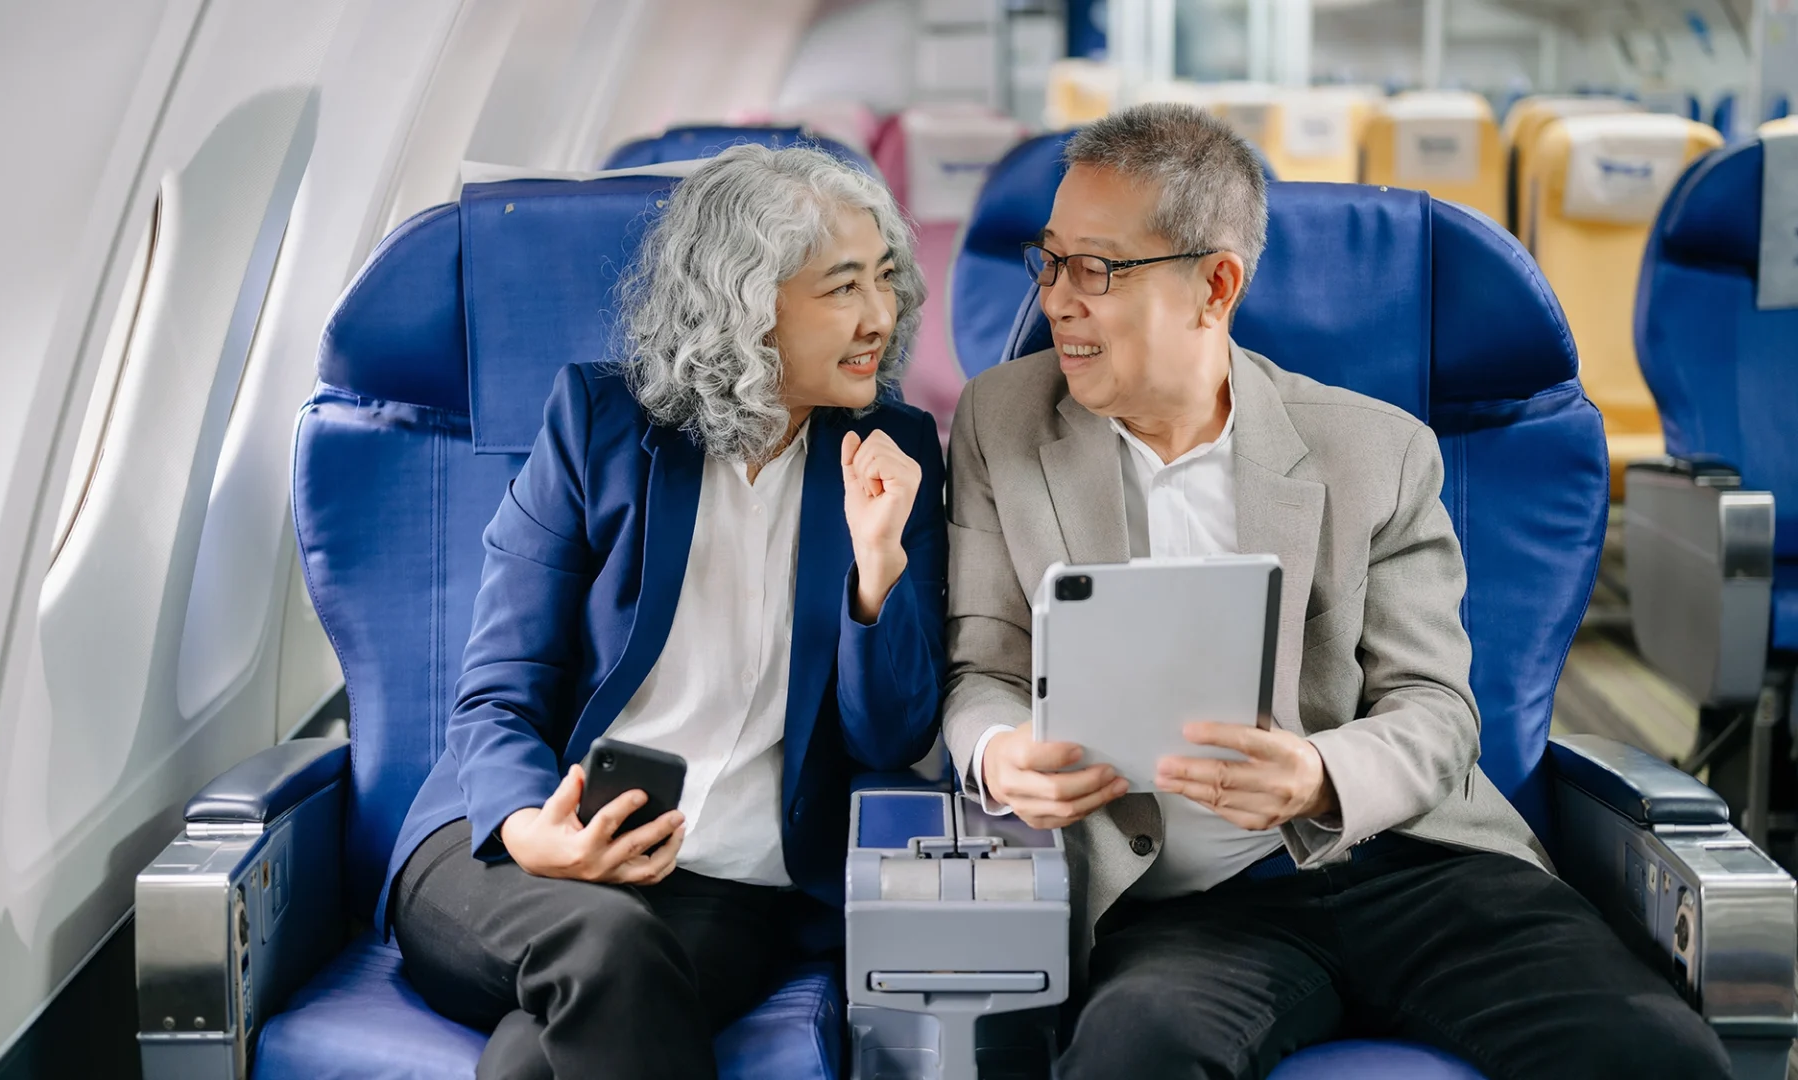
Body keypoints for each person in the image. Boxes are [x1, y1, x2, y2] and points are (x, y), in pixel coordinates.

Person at [941, 104, 1730, 1079]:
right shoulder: (1001, 423)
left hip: (1415, 869)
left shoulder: (1377, 448)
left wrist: (1316, 776)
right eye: (1049, 262)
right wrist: (998, 752)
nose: (1057, 299)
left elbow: (1439, 715)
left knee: (1658, 1056)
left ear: (1214, 286)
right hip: (1188, 907)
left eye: (1096, 270)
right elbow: (983, 667)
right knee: (1132, 1057)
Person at [383, 144, 947, 1080]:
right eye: (841, 288)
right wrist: (535, 830)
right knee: (601, 947)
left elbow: (891, 738)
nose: (880, 318)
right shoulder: (599, 427)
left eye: (886, 280)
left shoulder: (896, 451)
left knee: (536, 1061)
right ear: (745, 302)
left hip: (722, 885)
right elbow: (498, 692)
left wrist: (876, 566)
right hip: (506, 848)